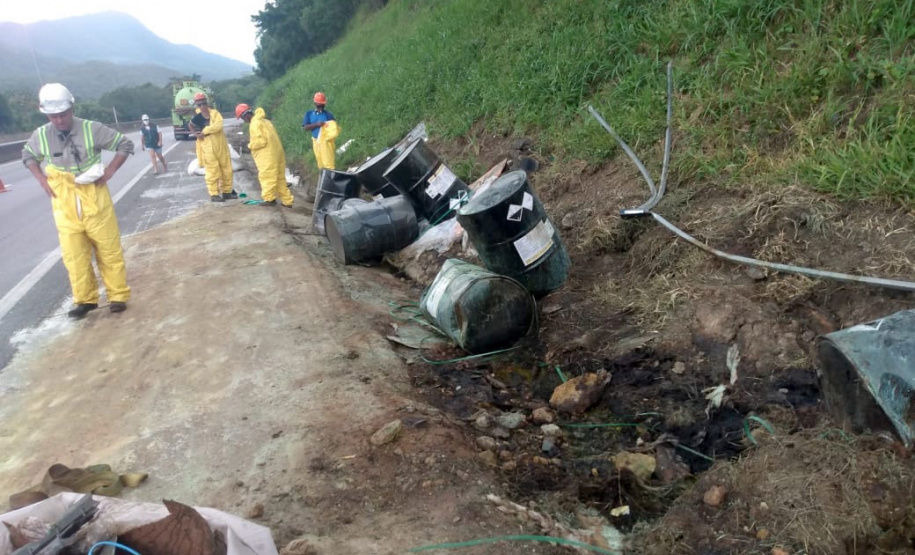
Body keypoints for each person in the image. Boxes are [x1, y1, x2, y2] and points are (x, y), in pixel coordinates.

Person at [22, 83, 134, 319]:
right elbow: (28, 156)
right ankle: (85, 300)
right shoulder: (41, 135)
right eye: (53, 116)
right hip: (64, 202)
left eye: (63, 115)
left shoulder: (92, 129)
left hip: (93, 195)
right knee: (74, 255)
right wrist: (42, 180)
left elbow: (124, 144)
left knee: (108, 249)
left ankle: (117, 296)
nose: (59, 121)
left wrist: (111, 170)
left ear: (72, 108)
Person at [235, 104, 294, 207]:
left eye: (242, 118)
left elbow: (261, 141)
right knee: (280, 179)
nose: (243, 121)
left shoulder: (255, 124)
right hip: (277, 154)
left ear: (245, 115)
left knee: (267, 177)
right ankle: (287, 201)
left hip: (267, 156)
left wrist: (250, 145)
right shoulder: (265, 121)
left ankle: (269, 199)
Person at [187, 92, 236, 202]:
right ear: (197, 105)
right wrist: (196, 134)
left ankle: (227, 192)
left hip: (220, 143)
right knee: (212, 170)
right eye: (199, 105)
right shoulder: (197, 117)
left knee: (226, 168)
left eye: (203, 103)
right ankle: (214, 194)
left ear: (207, 103)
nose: (202, 106)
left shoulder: (215, 114)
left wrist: (205, 130)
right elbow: (190, 125)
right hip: (207, 145)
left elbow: (218, 125)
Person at [301, 91, 340, 170]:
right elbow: (305, 127)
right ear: (315, 104)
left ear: (324, 104)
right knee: (321, 164)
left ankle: (331, 179)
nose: (321, 108)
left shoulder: (328, 115)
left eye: (322, 106)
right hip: (316, 142)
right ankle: (324, 178)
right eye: (319, 106)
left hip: (326, 142)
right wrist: (317, 124)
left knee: (328, 164)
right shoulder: (309, 114)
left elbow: (334, 129)